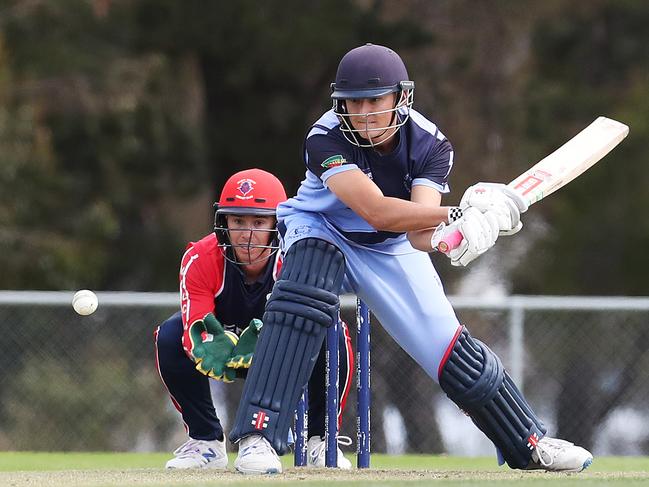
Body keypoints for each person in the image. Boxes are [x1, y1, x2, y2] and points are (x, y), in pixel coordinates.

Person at [228, 44, 593, 474]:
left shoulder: (430, 145)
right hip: (321, 228)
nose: (362, 112)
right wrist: (459, 211)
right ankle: (259, 436)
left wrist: (457, 236)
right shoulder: (323, 136)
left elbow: (419, 233)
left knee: (451, 349)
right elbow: (376, 210)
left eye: (374, 100)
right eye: (352, 101)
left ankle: (529, 442)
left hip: (390, 247)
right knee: (302, 299)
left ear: (401, 97)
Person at [154, 168, 353, 471]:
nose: (247, 234)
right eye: (238, 221)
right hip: (226, 353)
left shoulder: (296, 258)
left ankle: (320, 439)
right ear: (223, 222)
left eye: (259, 222)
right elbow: (195, 328)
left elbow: (304, 323)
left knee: (331, 330)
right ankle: (206, 441)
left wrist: (267, 346)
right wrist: (212, 345)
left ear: (277, 224)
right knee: (169, 334)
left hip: (287, 352)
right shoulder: (200, 258)